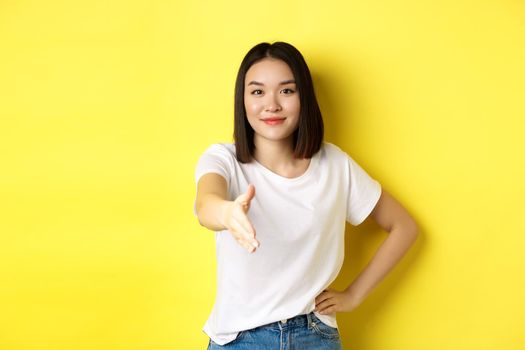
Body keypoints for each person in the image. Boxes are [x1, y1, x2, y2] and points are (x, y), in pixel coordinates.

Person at [193, 42, 419, 349]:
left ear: (304, 98)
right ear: (243, 100)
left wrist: (353, 295)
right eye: (257, 92)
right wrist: (226, 213)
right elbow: (206, 203)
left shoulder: (335, 165)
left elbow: (404, 227)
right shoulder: (223, 159)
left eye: (286, 91)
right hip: (240, 340)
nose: (271, 104)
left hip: (314, 336)